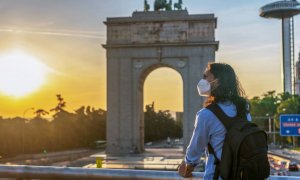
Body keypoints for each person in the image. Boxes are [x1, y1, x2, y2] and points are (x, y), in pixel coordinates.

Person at [178, 62, 251, 179]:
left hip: (218, 175)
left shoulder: (206, 114)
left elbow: (196, 147)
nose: (202, 80)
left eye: (206, 76)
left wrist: (188, 166)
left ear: (217, 81)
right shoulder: (243, 108)